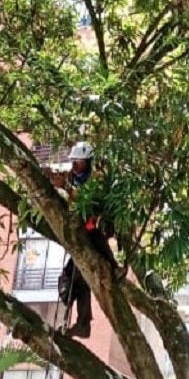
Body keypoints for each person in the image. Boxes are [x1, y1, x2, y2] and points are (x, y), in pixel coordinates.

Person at [45, 141, 121, 339]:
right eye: (74, 161)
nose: (75, 165)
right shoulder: (72, 176)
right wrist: (51, 176)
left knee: (76, 274)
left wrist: (66, 187)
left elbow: (87, 199)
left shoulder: (97, 178)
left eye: (78, 162)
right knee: (73, 277)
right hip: (81, 229)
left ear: (87, 162)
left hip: (95, 227)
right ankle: (80, 322)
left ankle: (83, 322)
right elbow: (64, 182)